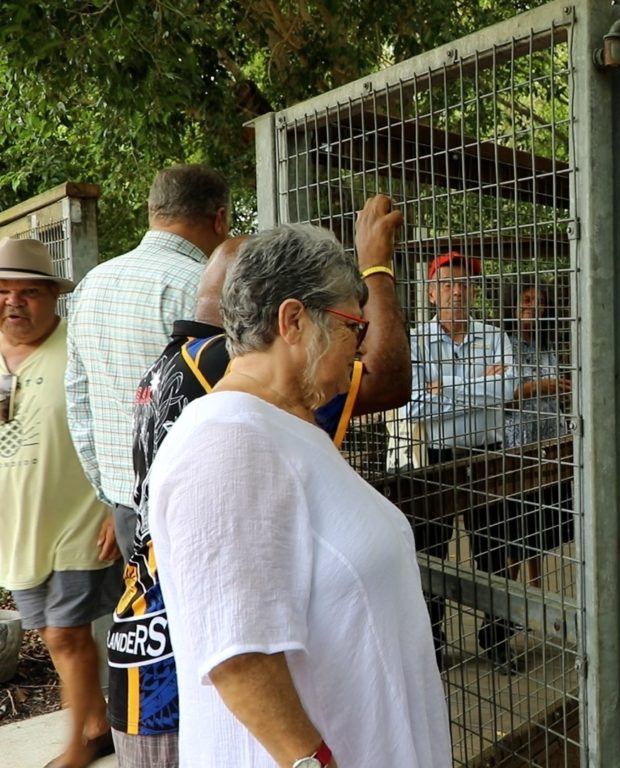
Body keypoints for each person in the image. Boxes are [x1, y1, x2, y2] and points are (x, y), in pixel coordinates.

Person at [107, 196, 412, 767]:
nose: (357, 348)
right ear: (293, 320)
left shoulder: (273, 414)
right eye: (353, 326)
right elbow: (239, 654)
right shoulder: (227, 440)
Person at [66, 164, 231, 561]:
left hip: (126, 506)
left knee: (147, 618)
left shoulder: (91, 285)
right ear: (220, 219)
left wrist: (111, 490)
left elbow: (77, 400)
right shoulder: (206, 288)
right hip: (200, 504)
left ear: (153, 211)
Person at [0, 237, 122, 768]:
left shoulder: (80, 348)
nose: (13, 303)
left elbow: (123, 423)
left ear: (53, 297)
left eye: (29, 292)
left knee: (66, 632)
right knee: (52, 633)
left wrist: (116, 505)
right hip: (17, 525)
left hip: (79, 517)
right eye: (2, 292)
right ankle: (97, 725)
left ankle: (78, 746)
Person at [402, 251, 520, 673]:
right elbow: (413, 406)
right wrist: (478, 383)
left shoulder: (494, 336)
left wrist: (443, 387)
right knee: (432, 553)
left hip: (486, 456)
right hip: (435, 459)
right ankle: (432, 645)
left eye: (465, 284)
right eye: (448, 284)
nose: (457, 291)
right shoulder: (414, 341)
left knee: (495, 552)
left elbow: (506, 391)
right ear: (431, 294)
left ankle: (498, 642)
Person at [502, 278, 574, 588]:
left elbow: (555, 390)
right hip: (518, 446)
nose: (534, 308)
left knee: (541, 526)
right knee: (518, 529)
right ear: (513, 307)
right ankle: (504, 607)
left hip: (549, 444)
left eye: (539, 303)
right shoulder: (502, 344)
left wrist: (562, 391)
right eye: (527, 301)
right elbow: (497, 396)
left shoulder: (546, 349)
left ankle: (536, 588)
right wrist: (537, 387)